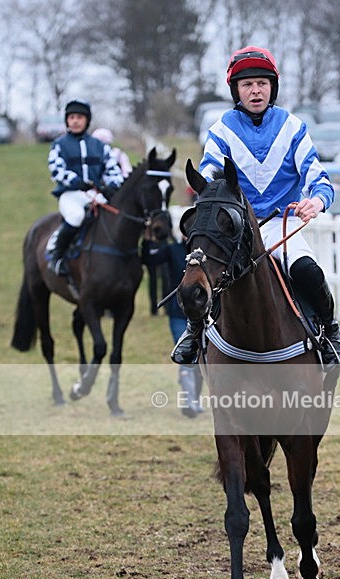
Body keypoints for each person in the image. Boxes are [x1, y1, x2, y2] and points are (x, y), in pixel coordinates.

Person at [172, 46, 340, 369]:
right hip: (236, 228)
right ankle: (194, 332)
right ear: (236, 90)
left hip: (282, 224)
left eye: (262, 83)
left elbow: (318, 177)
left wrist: (317, 201)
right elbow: (209, 171)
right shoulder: (222, 129)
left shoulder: (293, 127)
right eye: (247, 84)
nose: (255, 90)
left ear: (272, 88)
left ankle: (329, 331)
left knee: (307, 269)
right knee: (204, 271)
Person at [46, 99, 124, 276]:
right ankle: (57, 256)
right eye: (71, 117)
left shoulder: (100, 146)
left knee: (114, 216)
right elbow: (56, 169)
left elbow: (113, 169)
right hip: (71, 194)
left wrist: (112, 185)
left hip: (95, 194)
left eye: (79, 117)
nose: (75, 121)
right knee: (76, 215)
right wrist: (76, 181)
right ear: (67, 120)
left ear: (86, 120)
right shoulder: (58, 145)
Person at [142, 211, 204, 417]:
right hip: (179, 314)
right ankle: (189, 402)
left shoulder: (207, 255)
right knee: (187, 355)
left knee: (202, 357)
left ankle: (195, 398)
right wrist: (148, 237)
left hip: (204, 313)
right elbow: (149, 260)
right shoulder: (172, 250)